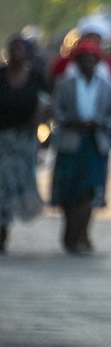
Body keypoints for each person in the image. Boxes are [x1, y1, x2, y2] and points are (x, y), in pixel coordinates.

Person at [50, 36, 111, 253]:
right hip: (71, 142)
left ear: (98, 62)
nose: (89, 63)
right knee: (69, 189)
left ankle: (82, 233)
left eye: (93, 59)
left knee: (91, 190)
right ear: (77, 61)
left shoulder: (107, 87)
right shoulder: (65, 85)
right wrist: (70, 121)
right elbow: (56, 111)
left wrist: (98, 123)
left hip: (95, 143)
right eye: (84, 59)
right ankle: (70, 232)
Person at [0, 35, 48, 252]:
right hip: (2, 140)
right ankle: (2, 231)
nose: (17, 54)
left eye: (21, 50)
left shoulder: (35, 78)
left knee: (20, 186)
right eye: (14, 50)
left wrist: (39, 123)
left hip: (24, 141)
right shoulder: (1, 76)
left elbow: (46, 102)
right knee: (2, 187)